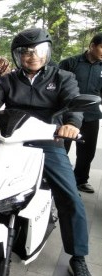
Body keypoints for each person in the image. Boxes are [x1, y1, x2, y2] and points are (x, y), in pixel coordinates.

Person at [0, 28, 92, 276]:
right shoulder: (8, 79)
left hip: (47, 140)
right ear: (17, 55)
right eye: (25, 52)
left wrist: (71, 125)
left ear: (48, 51)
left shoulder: (63, 77)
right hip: (8, 139)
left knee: (70, 196)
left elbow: (73, 103)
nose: (32, 56)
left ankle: (78, 255)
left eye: (38, 50)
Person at [58, 33, 102, 194]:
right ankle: (60, 179)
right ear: (92, 46)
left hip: (92, 116)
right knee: (62, 148)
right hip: (68, 115)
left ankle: (81, 180)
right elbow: (55, 85)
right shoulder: (70, 63)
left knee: (87, 151)